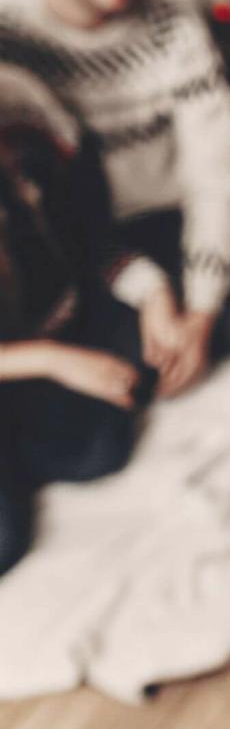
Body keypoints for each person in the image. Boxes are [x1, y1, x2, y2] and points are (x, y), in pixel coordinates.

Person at [0, 0, 230, 398]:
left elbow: (215, 178)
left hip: (169, 214)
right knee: (115, 377)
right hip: (79, 241)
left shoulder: (174, 30)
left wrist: (202, 313)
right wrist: (142, 287)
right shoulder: (12, 49)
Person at [0, 66, 156, 575]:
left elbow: (93, 244)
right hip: (27, 357)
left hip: (50, 323)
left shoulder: (31, 126)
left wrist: (154, 293)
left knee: (104, 443)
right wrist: (54, 361)